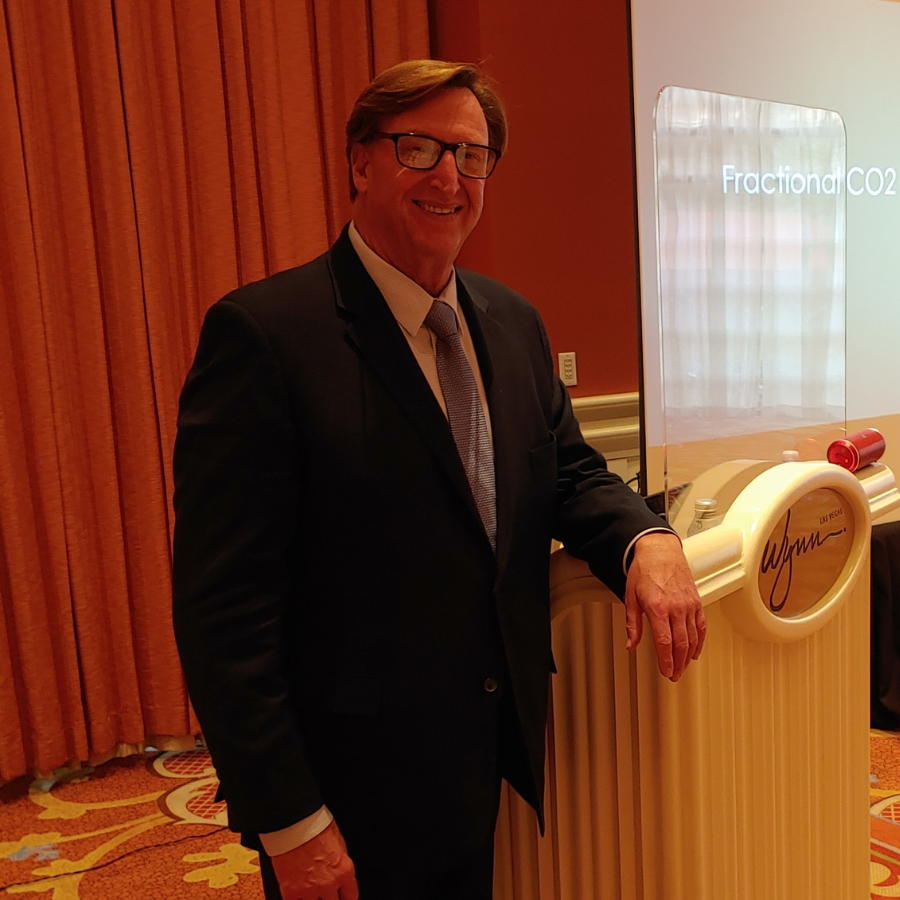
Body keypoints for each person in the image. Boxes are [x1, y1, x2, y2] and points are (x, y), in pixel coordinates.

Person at [172, 59, 706, 900]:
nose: (450, 176)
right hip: (351, 787)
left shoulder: (511, 320)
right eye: (418, 148)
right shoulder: (265, 337)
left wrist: (647, 536)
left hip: (488, 750)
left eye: (472, 154)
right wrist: (290, 823)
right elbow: (223, 612)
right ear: (359, 162)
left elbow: (566, 469)